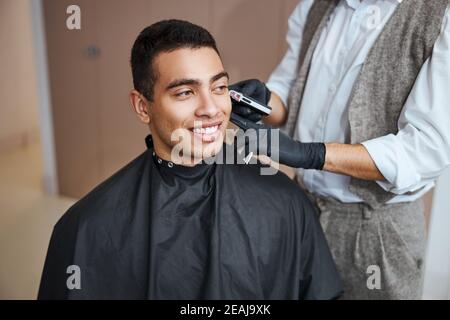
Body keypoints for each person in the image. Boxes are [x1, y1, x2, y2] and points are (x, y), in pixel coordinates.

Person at [37, 19, 342, 300]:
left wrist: (312, 155)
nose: (211, 108)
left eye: (219, 87)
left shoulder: (286, 202)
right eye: (185, 92)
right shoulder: (85, 228)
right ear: (143, 107)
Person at [230, 0, 450, 299]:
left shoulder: (439, 14)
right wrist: (264, 100)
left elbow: (426, 149)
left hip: (378, 233)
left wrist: (312, 155)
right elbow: (289, 92)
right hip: (303, 210)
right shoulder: (315, 5)